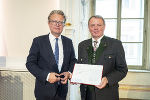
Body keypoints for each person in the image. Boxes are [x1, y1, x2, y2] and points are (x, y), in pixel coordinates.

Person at [26, 10, 76, 100]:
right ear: (49, 23)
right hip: (43, 91)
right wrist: (47, 76)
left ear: (64, 25)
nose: (58, 24)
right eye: (54, 21)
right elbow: (30, 64)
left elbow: (73, 61)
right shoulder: (38, 41)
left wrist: (69, 73)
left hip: (62, 91)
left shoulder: (68, 42)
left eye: (61, 22)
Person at [78, 15, 128, 100]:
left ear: (104, 27)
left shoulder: (115, 44)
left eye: (99, 25)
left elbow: (122, 70)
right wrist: (76, 75)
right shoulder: (82, 45)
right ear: (88, 27)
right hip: (86, 94)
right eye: (92, 25)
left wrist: (108, 79)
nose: (96, 28)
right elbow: (80, 66)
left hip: (107, 93)